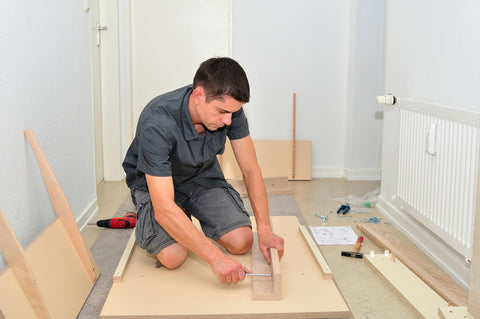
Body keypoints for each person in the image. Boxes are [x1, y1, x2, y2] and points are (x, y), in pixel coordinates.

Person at [122, 57, 284, 284]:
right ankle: (172, 218)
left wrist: (265, 229)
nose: (228, 120)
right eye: (222, 112)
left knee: (242, 242)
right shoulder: (157, 122)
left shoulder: (229, 110)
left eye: (233, 113)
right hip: (155, 186)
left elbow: (250, 169)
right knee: (173, 257)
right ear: (198, 96)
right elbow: (164, 208)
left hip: (201, 177)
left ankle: (186, 216)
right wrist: (215, 258)